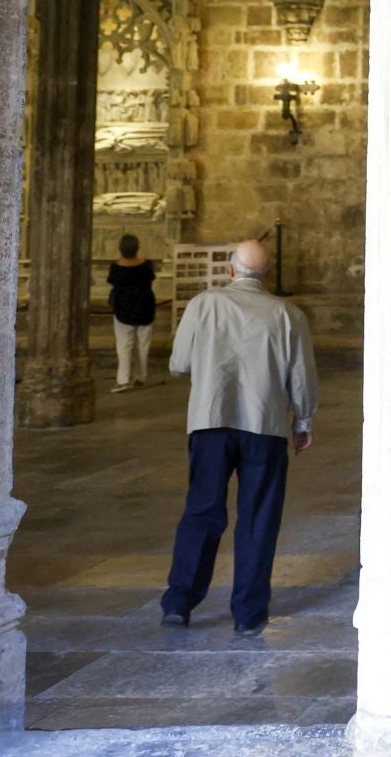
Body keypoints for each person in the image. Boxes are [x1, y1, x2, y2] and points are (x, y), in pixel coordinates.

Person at [161, 239, 318, 636]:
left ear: (230, 271)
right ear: (265, 276)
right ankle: (248, 613)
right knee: (259, 518)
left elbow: (179, 364)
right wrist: (302, 422)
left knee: (202, 511)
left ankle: (179, 603)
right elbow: (301, 378)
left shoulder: (203, 305)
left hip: (210, 422)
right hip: (264, 427)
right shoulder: (288, 314)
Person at [106, 233, 158, 393]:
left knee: (124, 345)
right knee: (143, 345)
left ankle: (123, 380)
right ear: (137, 248)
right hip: (145, 307)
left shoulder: (116, 268)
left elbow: (113, 284)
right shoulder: (146, 265)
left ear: (120, 249)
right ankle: (140, 377)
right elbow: (150, 279)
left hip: (124, 309)